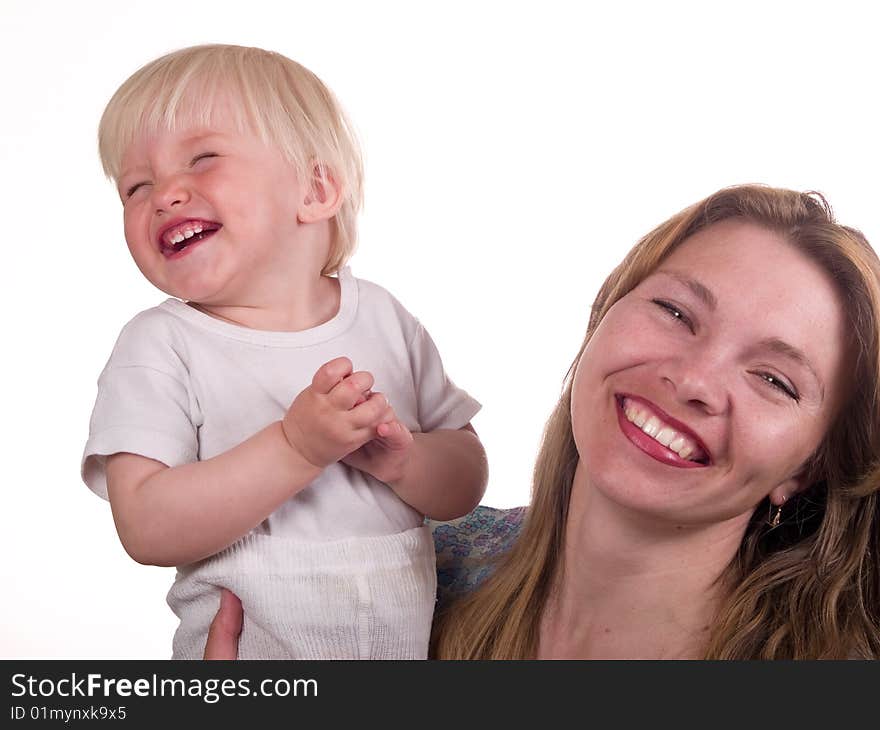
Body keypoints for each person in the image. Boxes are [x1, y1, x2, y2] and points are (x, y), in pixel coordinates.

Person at [205, 184, 880, 660]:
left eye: (772, 379)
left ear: (810, 466)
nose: (695, 381)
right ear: (602, 319)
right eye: (675, 312)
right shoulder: (404, 569)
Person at [81, 44, 488, 660]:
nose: (163, 195)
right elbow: (144, 525)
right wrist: (296, 448)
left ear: (315, 188)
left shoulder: (382, 316)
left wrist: (404, 464)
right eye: (136, 186)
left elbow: (465, 482)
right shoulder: (159, 343)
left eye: (203, 158)